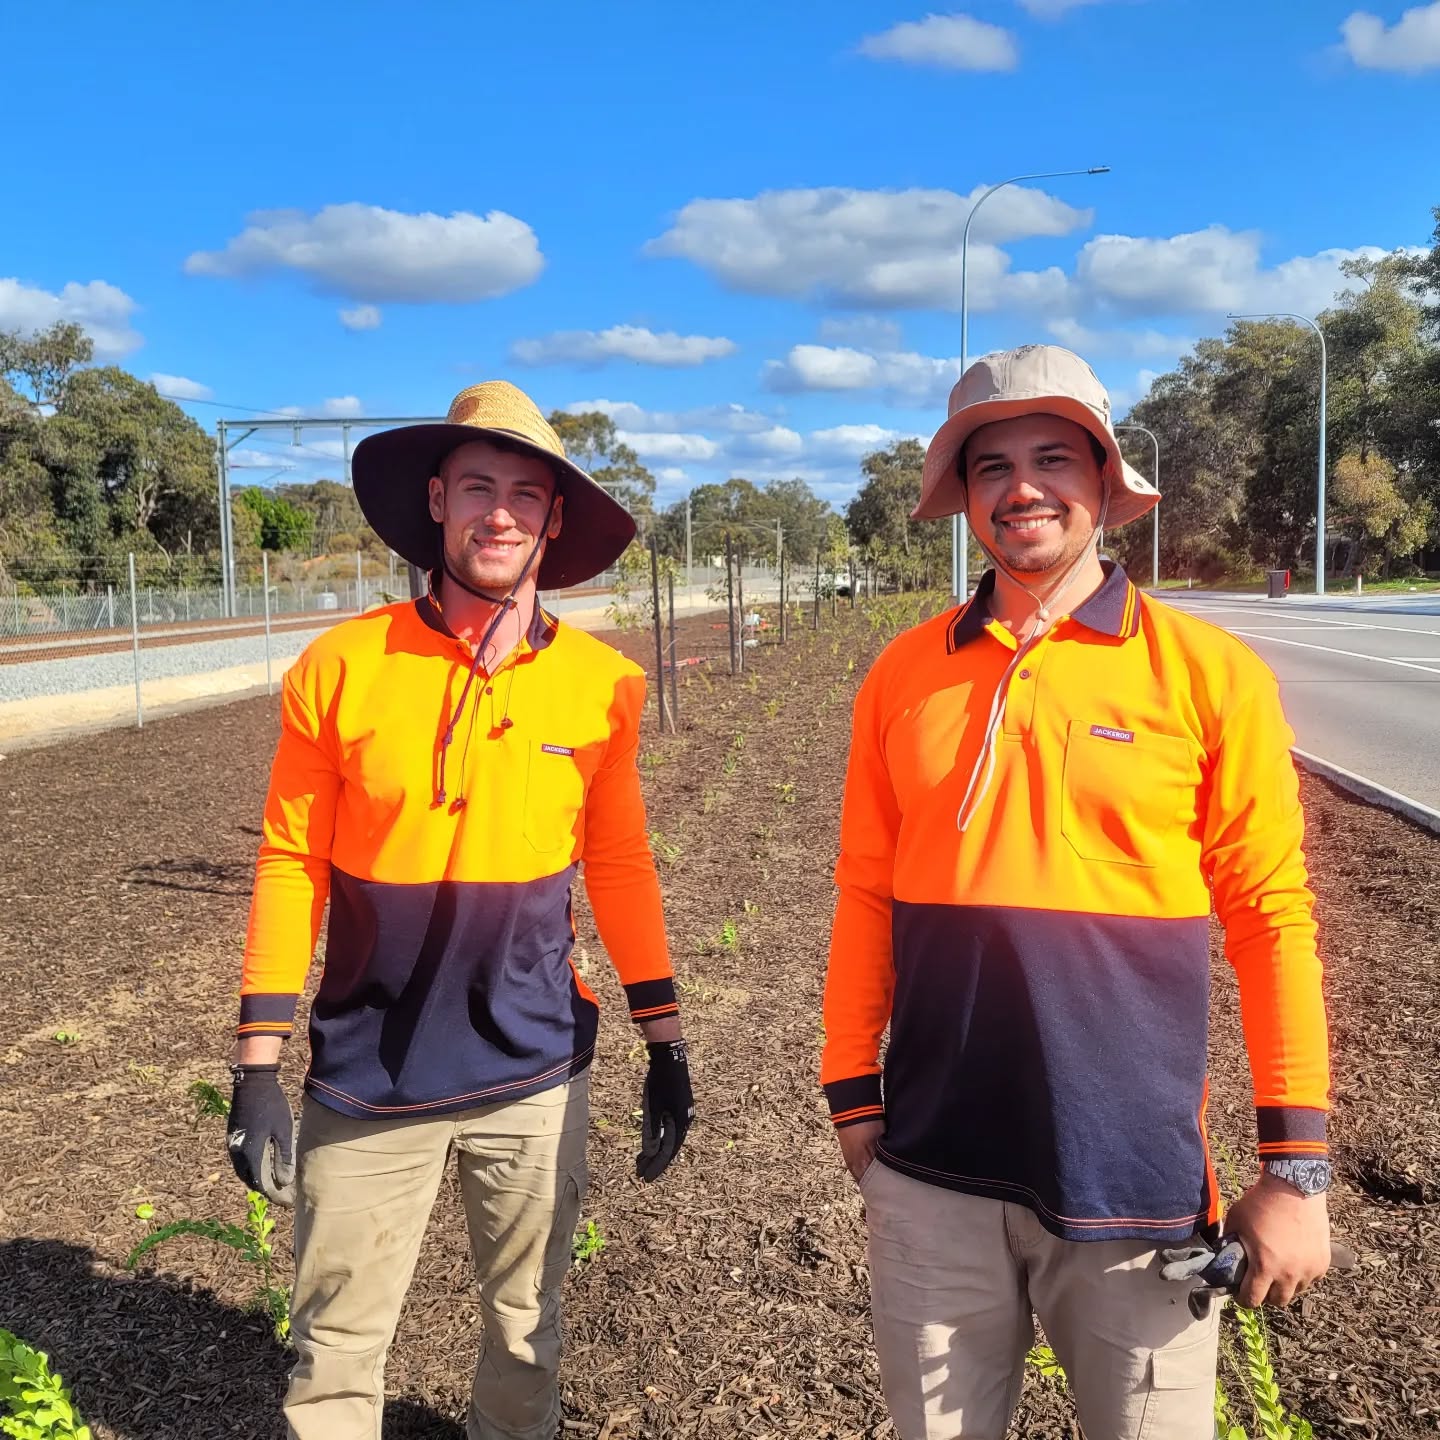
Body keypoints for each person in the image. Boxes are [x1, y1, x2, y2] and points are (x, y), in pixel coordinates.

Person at [820, 345, 1331, 1439]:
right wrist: (851, 1090)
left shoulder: (1207, 675)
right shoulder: (902, 676)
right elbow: (865, 892)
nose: (1021, 489)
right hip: (931, 1172)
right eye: (989, 465)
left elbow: (1272, 917)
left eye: (1053, 457)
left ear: (1104, 480)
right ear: (963, 497)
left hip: (1134, 1186)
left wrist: (1295, 1168)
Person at [224, 381, 694, 1440]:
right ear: (436, 500)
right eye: (477, 486)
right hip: (367, 1070)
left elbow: (618, 865)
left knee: (528, 1328)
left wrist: (664, 1041)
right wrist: (258, 1061)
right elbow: (293, 862)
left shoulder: (602, 686)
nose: (500, 513)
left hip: (533, 1069)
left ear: (554, 519)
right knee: (335, 1344)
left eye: (527, 494)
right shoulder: (339, 669)